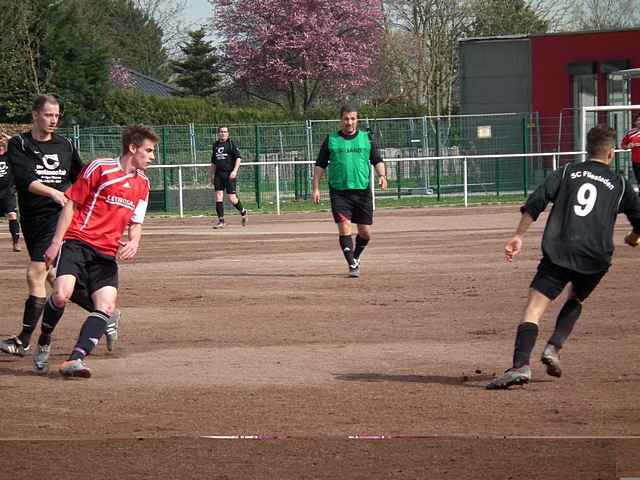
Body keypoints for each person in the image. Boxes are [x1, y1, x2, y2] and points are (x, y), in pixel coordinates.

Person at [487, 125, 640, 390]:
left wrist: (518, 235)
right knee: (576, 297)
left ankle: (520, 366)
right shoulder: (621, 184)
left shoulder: (568, 171)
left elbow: (537, 200)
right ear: (611, 153)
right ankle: (553, 348)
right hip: (596, 256)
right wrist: (633, 238)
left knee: (535, 307)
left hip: (560, 249)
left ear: (587, 149)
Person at [0, 95, 119, 358]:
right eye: (48, 115)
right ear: (35, 115)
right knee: (55, 280)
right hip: (34, 219)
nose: (53, 120)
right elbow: (24, 179)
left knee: (35, 274)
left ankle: (23, 340)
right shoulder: (20, 144)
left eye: (56, 116)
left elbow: (82, 177)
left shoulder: (65, 145)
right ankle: (104, 313)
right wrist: (52, 192)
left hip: (60, 217)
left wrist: (72, 200)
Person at [33, 124, 157, 378]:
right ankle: (44, 340)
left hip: (106, 254)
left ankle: (75, 359)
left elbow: (137, 222)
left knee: (106, 307)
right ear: (133, 149)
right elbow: (71, 204)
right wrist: (56, 242)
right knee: (60, 295)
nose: (153, 156)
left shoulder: (143, 184)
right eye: (149, 150)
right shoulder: (100, 167)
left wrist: (134, 241)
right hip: (78, 243)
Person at [312, 105, 387, 278]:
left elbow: (377, 159)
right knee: (344, 227)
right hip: (339, 192)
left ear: (357, 120)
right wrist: (315, 187)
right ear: (341, 120)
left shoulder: (366, 139)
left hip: (362, 192)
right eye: (346, 118)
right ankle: (352, 265)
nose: (349, 122)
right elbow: (320, 165)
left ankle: (356, 256)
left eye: (352, 118)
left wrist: (382, 175)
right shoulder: (331, 139)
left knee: (365, 233)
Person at [208, 126, 248, 229]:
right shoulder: (215, 145)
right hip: (218, 174)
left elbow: (238, 158)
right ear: (218, 133)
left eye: (225, 132)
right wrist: (211, 175)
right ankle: (221, 221)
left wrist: (234, 171)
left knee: (232, 198)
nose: (223, 133)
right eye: (221, 132)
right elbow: (213, 162)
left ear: (228, 133)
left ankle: (243, 211)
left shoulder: (231, 144)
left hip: (229, 174)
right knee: (218, 196)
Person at [0, 134, 21, 252]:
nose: (0, 147)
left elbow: (20, 144)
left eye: (2, 144)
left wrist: (8, 138)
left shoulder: (10, 157)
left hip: (8, 192)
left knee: (12, 215)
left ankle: (16, 242)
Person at [621, 114, 640, 194]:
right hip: (636, 162)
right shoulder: (631, 133)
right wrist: (628, 146)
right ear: (635, 122)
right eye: (638, 120)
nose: (639, 122)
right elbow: (623, 145)